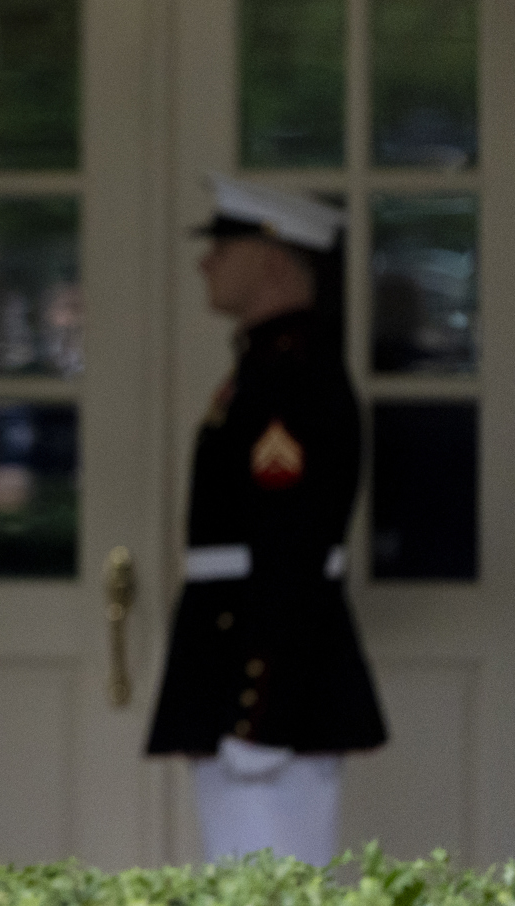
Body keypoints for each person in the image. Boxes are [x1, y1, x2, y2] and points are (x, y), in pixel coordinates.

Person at [146, 174, 386, 866]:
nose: (206, 261)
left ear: (276, 262)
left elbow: (294, 549)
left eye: (226, 245)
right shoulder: (265, 370)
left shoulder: (292, 378)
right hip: (235, 664)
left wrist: (261, 709)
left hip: (266, 682)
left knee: (271, 876)